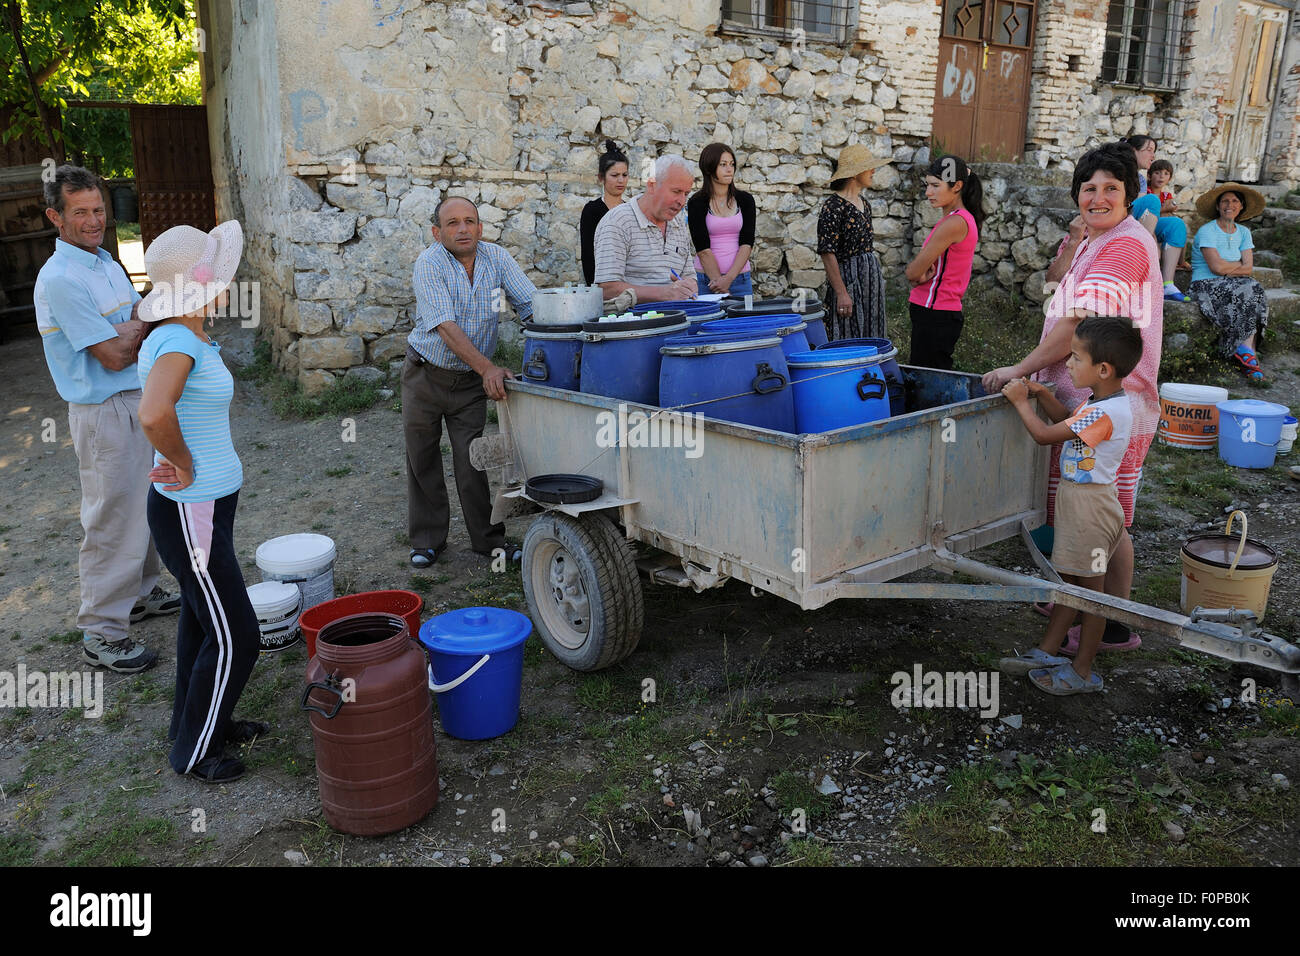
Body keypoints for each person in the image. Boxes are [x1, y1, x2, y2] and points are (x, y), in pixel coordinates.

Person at [984, 142, 1162, 654]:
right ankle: (1082, 601)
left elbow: (1081, 325)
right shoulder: (1097, 238)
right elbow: (1064, 309)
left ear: (1130, 192)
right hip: (1086, 400)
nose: (1099, 196)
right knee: (1087, 514)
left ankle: (1112, 623)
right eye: (1090, 188)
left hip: (1116, 403)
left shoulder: (1126, 246)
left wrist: (1019, 370)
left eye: (1112, 188)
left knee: (1109, 521)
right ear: (1077, 195)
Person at [33, 164, 178, 675]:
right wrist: (137, 322)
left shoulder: (103, 261)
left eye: (98, 210)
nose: (94, 221)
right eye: (81, 213)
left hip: (132, 400)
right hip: (103, 411)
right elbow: (113, 356)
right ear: (56, 216)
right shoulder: (61, 279)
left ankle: (139, 594)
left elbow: (132, 324)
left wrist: (129, 325)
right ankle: (102, 631)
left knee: (144, 504)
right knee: (111, 517)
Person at [136, 221, 266, 783]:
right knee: (238, 634)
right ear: (201, 285)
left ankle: (200, 724)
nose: (229, 283)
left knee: (200, 621)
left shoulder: (192, 333)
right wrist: (185, 464)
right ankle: (193, 753)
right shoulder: (178, 340)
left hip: (204, 508)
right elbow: (153, 412)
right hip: (192, 511)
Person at [998, 317, 1143, 695]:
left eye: (1076, 358)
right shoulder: (1103, 403)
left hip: (1090, 512)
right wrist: (1044, 395)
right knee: (1073, 585)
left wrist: (1020, 403)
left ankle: (1082, 670)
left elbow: (1047, 435)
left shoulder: (1106, 412)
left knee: (1091, 596)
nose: (1068, 365)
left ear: (1103, 369)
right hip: (1084, 506)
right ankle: (1048, 651)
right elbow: (1071, 423)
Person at [405, 196, 535, 568]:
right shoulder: (429, 263)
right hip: (424, 374)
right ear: (437, 231)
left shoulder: (497, 258)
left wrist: (560, 331)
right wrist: (488, 369)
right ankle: (427, 541)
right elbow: (445, 326)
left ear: (480, 227)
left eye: (469, 221)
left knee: (472, 460)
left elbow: (530, 304)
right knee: (422, 457)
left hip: (468, 384)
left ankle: (489, 541)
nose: (462, 229)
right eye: (452, 223)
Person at [903, 155, 984, 369]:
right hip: (934, 312)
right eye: (927, 185)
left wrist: (916, 274)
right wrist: (918, 273)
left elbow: (912, 273)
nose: (928, 192)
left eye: (935, 186)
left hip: (935, 313)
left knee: (926, 385)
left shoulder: (955, 223)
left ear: (957, 186)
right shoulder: (954, 219)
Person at [1188, 182, 1270, 382]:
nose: (1229, 205)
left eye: (1234, 201)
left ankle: (1246, 349)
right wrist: (1237, 264)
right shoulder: (1208, 231)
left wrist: (1228, 266)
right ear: (1217, 206)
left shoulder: (1243, 232)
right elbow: (1216, 268)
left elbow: (1248, 268)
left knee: (1254, 289)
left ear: (1241, 207)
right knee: (1249, 288)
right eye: (1225, 201)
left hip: (1236, 283)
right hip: (1205, 284)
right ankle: (1248, 355)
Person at [593, 154, 697, 303]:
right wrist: (663, 294)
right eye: (676, 191)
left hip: (677, 317)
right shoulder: (618, 221)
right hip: (633, 321)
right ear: (652, 185)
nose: (681, 201)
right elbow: (606, 289)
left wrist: (688, 285)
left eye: (686, 193)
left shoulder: (678, 223)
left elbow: (689, 275)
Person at [817, 144, 890, 341]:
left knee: (873, 330)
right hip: (848, 280)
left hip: (870, 280)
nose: (873, 170)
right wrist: (841, 292)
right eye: (868, 167)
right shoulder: (833, 207)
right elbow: (827, 252)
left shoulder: (864, 204)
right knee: (848, 332)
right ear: (854, 173)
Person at [685, 143, 757, 296]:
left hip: (741, 279)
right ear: (709, 168)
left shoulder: (746, 200)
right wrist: (719, 283)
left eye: (731, 164)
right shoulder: (696, 202)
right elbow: (702, 249)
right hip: (707, 281)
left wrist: (728, 279)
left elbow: (747, 243)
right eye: (723, 165)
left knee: (742, 320)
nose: (729, 169)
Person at [1124, 135, 1188, 302]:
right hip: (1120, 219)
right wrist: (1151, 238)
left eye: (1154, 151)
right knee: (1152, 200)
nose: (1153, 156)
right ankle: (1138, 270)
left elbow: (1141, 207)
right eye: (1149, 150)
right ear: (1133, 151)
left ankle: (1167, 284)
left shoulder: (1139, 179)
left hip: (1137, 221)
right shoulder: (1117, 171)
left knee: (1176, 224)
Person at [579, 141, 629, 286]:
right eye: (614, 175)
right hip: (601, 285)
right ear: (602, 177)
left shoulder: (630, 210)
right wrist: (595, 288)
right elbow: (588, 254)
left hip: (630, 285)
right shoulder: (592, 211)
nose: (621, 180)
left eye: (624, 175)